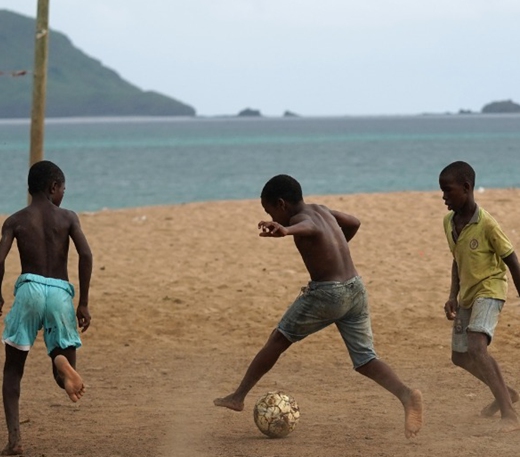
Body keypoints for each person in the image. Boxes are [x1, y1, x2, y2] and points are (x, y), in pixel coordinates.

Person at [214, 174, 423, 438]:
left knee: (278, 339)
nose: (274, 218)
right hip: (355, 288)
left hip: (328, 294)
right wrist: (333, 244)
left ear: (281, 204)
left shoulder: (302, 220)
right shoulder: (321, 210)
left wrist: (286, 230)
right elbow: (354, 222)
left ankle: (238, 396)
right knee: (365, 359)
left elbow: (308, 226)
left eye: (271, 212)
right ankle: (406, 395)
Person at [0, 160, 93, 456]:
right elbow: (86, 254)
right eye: (62, 188)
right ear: (53, 188)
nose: (63, 194)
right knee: (62, 375)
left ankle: (15, 440)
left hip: (29, 290)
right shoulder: (68, 218)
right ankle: (60, 361)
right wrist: (83, 301)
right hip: (60, 292)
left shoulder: (16, 220)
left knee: (13, 369)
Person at [439, 161, 520, 433]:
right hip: (468, 294)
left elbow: (512, 260)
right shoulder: (449, 222)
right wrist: (453, 294)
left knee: (476, 347)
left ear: (466, 187)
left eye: (448, 192)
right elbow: (457, 259)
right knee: (459, 357)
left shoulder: (486, 223)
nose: (444, 198)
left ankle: (509, 413)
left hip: (491, 288)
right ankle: (505, 392)